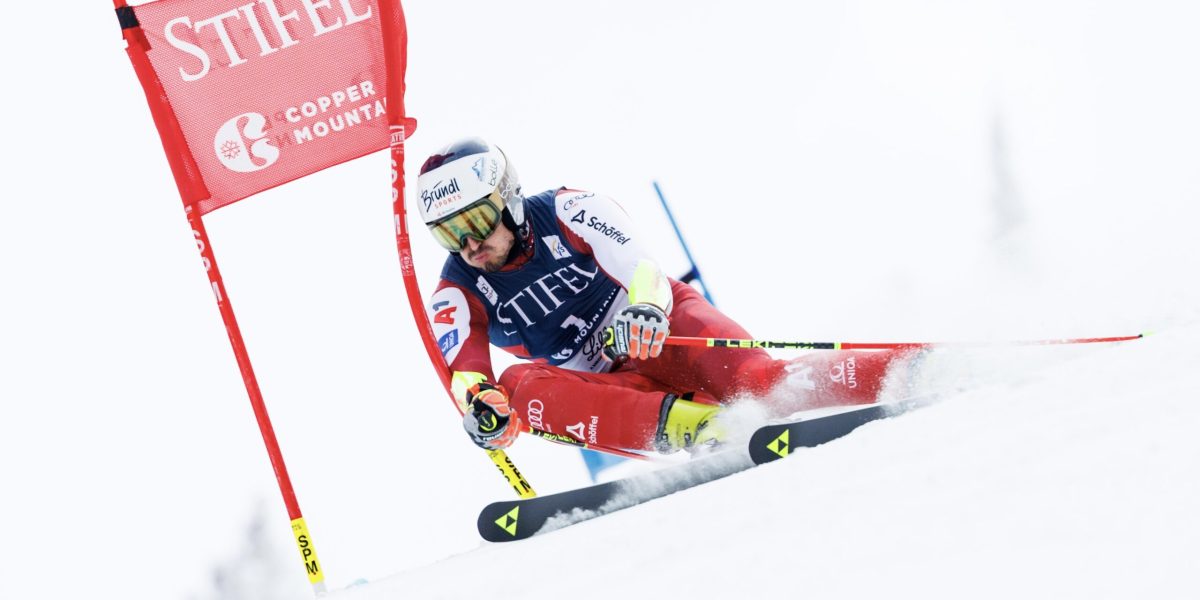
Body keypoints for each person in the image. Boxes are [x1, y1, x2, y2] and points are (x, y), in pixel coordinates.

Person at [418, 137, 909, 454]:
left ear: (509, 199)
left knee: (761, 386)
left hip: (663, 335)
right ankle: (703, 429)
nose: (469, 244)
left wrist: (646, 308)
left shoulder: (572, 209)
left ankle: (903, 371)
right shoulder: (456, 292)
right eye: (448, 234)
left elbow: (642, 267)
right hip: (611, 394)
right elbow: (466, 376)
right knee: (515, 387)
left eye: (476, 221)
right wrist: (483, 410)